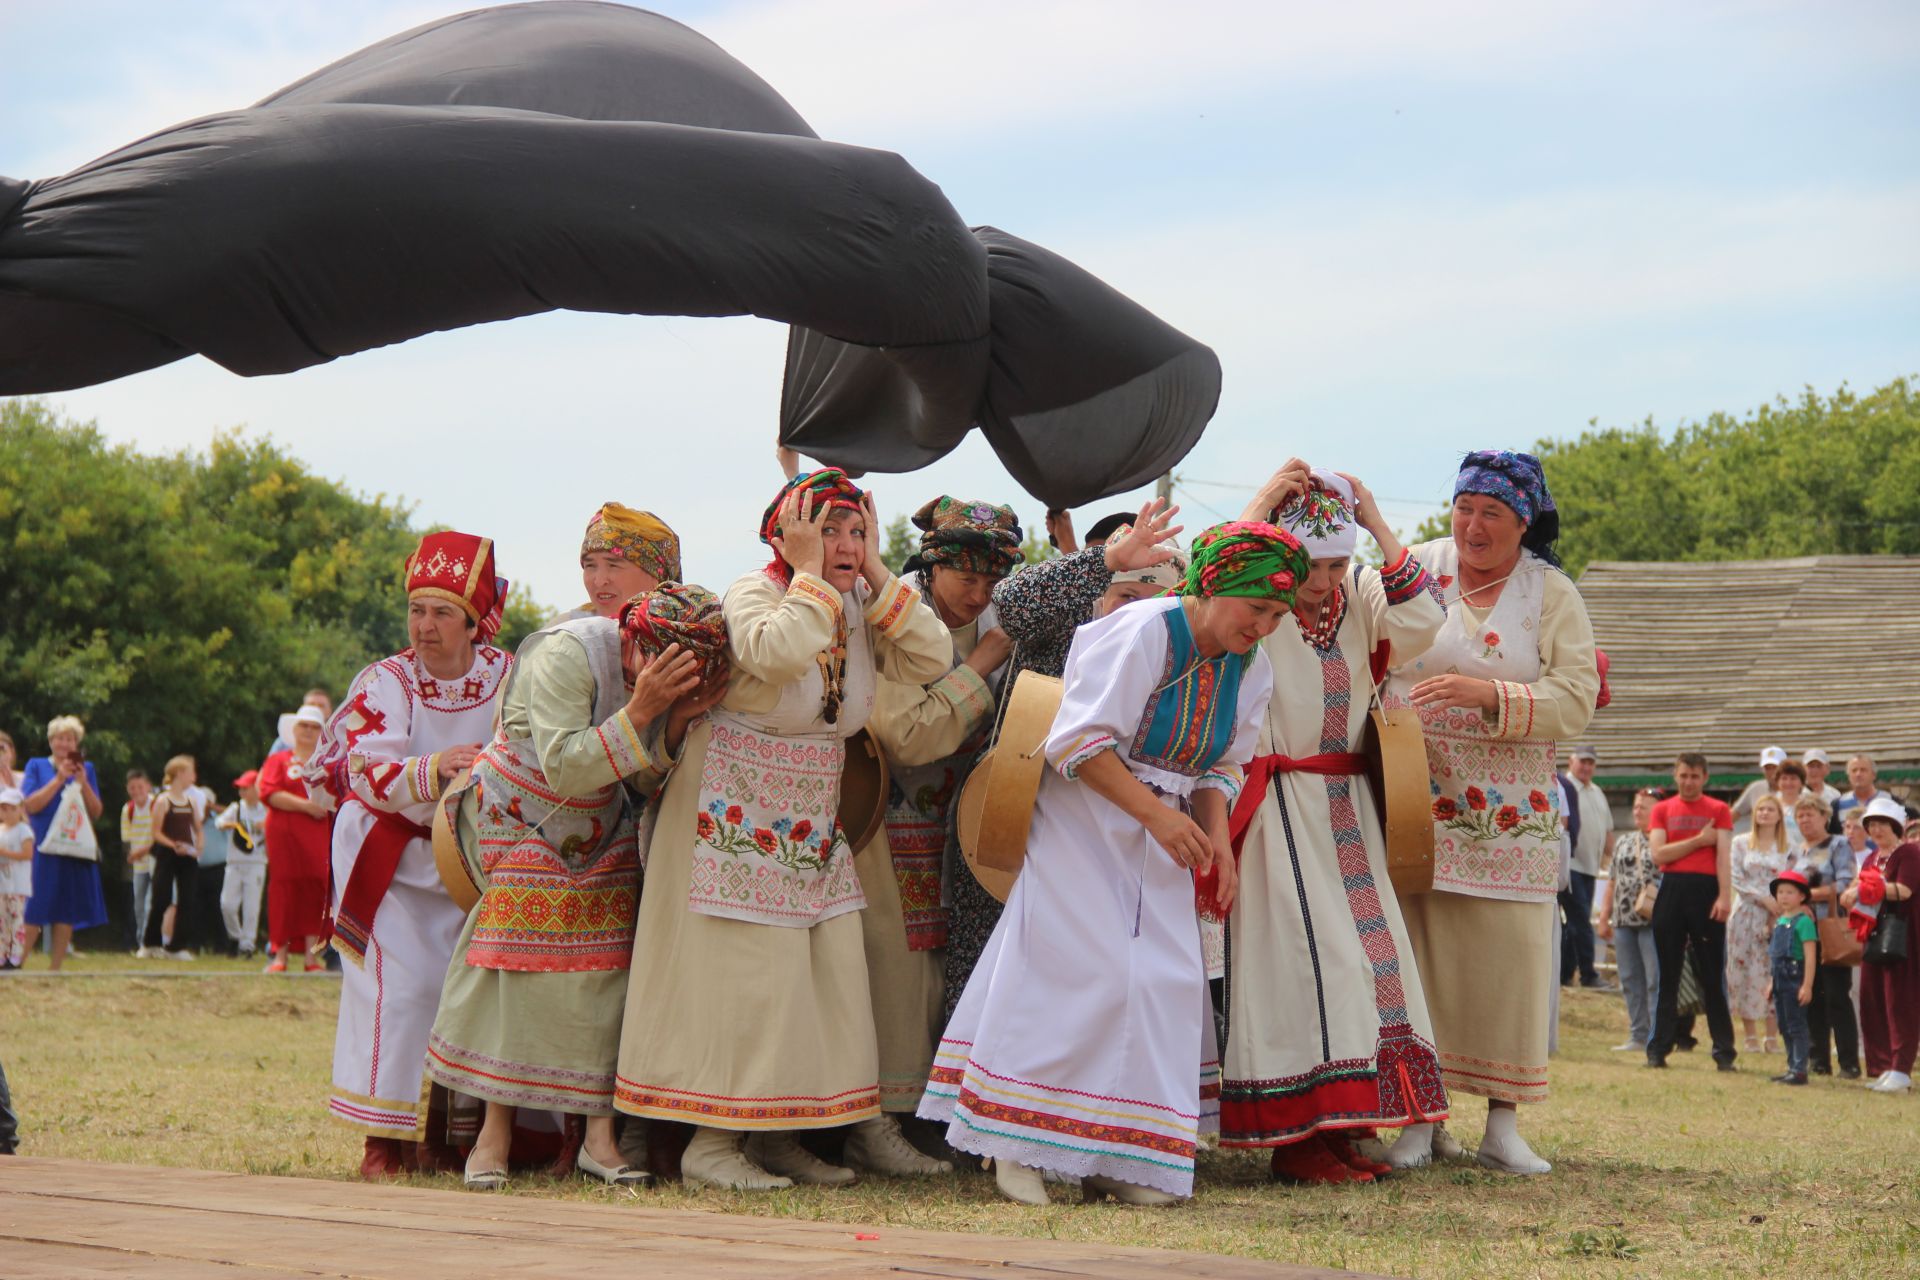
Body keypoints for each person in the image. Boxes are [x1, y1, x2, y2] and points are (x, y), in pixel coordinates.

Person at [924, 520, 1297, 1206]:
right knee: (1075, 971)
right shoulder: (1146, 632)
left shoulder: (1252, 666)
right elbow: (1078, 742)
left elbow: (1221, 764)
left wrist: (1215, 842)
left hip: (1164, 834)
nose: (1266, 627)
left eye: (1278, 614)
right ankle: (1013, 1144)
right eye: (1257, 609)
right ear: (1212, 587)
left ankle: (1114, 1153)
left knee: (1162, 981)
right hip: (1087, 820)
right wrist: (1156, 816)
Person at [614, 470, 951, 1191]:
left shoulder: (860, 599)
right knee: (742, 979)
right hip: (730, 800)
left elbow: (932, 656)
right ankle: (712, 1143)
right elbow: (771, 653)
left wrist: (878, 571)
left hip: (808, 804)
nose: (846, 545)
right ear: (785, 536)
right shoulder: (753, 591)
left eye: (858, 529)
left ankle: (777, 1135)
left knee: (817, 977)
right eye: (828, 529)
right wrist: (807, 575)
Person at [431, 582, 726, 1191]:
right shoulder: (567, 653)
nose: (677, 679)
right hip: (520, 814)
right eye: (671, 667)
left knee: (607, 970)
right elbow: (564, 763)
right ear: (641, 645)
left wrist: (676, 722)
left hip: (600, 820)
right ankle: (494, 1136)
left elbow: (641, 783)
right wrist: (645, 710)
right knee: (516, 967)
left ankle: (599, 1139)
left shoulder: (657, 677)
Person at [1217, 469, 1447, 1185]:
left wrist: (1374, 517)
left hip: (1348, 803)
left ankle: (1346, 1124)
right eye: (1311, 565)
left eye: (1335, 564)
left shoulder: (1360, 600)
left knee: (1369, 967)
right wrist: (1256, 509)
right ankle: (1298, 1139)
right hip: (1278, 804)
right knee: (1300, 966)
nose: (1322, 582)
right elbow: (1203, 589)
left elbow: (1426, 621)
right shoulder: (1260, 602)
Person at [1381, 451, 1598, 1177]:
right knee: (1418, 957)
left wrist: (1490, 697)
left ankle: (1501, 1126)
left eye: (1492, 514)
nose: (1473, 526)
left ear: (1523, 521)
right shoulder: (1415, 565)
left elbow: (1575, 697)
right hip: (1415, 796)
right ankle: (1419, 1119)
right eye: (1464, 508)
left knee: (1512, 963)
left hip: (1515, 815)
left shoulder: (1552, 592)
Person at [311, 530, 512, 1178]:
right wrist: (438, 769)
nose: (424, 626)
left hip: (470, 862)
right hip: (390, 860)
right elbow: (366, 772)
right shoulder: (386, 681)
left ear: (474, 621)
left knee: (467, 993)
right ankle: (381, 1144)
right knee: (401, 991)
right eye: (416, 610)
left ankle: (444, 1137)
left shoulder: (507, 678)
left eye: (441, 613)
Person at [941, 499, 1187, 1020]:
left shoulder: (1176, 658)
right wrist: (1104, 561)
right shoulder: (1068, 620)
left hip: (1106, 851)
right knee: (990, 988)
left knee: (1086, 999)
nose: (1135, 610)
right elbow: (1012, 603)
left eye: (1152, 598)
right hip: (1011, 822)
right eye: (1124, 594)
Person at [853, 496, 1018, 1173]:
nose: (977, 594)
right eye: (964, 579)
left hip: (962, 821)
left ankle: (933, 1110)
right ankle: (880, 1118)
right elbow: (909, 737)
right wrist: (982, 661)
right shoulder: (894, 618)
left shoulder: (998, 616)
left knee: (943, 965)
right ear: (933, 565)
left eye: (989, 582)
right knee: (892, 966)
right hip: (883, 813)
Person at [1646, 754, 1737, 1071]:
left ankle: (1724, 1052)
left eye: (1695, 776)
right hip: (1671, 888)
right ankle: (1658, 1049)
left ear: (1705, 778)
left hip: (1707, 890)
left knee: (1712, 975)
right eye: (1683, 775)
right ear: (1675, 775)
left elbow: (1723, 855)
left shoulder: (1718, 809)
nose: (1688, 782)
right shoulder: (1661, 809)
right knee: (1668, 975)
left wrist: (1725, 896)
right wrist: (1700, 840)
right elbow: (1659, 854)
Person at [21, 715, 108, 971]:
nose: (64, 743)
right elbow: (30, 804)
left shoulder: (87, 769)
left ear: (76, 743)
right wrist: (59, 779)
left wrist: (82, 785)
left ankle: (55, 967)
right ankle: (16, 963)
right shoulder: (37, 766)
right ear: (51, 741)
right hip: (43, 844)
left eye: (69, 739)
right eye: (59, 738)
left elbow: (96, 811)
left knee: (66, 907)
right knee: (35, 905)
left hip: (73, 844)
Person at [1848, 797, 1917, 1093]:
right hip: (1873, 933)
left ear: (1895, 826)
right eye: (1871, 824)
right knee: (1871, 998)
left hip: (1903, 934)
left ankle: (1901, 1068)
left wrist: (1864, 889)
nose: (1875, 830)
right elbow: (1857, 885)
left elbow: (1903, 890)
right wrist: (1851, 892)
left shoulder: (1910, 853)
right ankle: (1880, 1065)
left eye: (1881, 824)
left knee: (1900, 1000)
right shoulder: (1871, 857)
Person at [259, 706, 332, 972]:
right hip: (284, 835)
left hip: (316, 834)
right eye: (304, 726)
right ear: (294, 729)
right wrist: (306, 807)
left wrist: (317, 808)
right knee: (283, 888)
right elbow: (269, 793)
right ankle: (280, 955)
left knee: (315, 887)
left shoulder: (326, 764)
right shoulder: (278, 760)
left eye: (314, 727)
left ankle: (312, 958)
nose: (308, 732)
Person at [1794, 794, 1860, 1077]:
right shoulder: (1796, 850)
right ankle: (1817, 1058)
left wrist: (1804, 896)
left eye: (1810, 814)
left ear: (1825, 817)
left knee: (1836, 995)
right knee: (1811, 995)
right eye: (1800, 815)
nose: (1805, 820)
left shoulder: (1838, 844)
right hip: (1802, 930)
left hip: (1829, 927)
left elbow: (1844, 884)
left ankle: (1849, 1061)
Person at [1597, 787, 1664, 1053]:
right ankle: (1637, 1034)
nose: (1637, 811)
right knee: (1629, 979)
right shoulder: (1624, 841)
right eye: (1635, 806)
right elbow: (1611, 882)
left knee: (1654, 980)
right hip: (1624, 921)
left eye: (1643, 806)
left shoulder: (1665, 841)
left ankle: (1657, 1036)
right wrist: (1604, 916)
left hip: (1654, 921)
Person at [1727, 793, 1795, 1052]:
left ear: (1779, 815)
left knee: (1773, 970)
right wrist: (1763, 899)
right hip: (1746, 913)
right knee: (1744, 971)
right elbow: (1736, 878)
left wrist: (1777, 903)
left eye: (1770, 809)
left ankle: (1772, 1034)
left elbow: (1793, 878)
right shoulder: (1741, 843)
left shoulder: (1788, 848)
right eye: (1761, 809)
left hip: (1779, 913)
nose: (1765, 813)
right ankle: (1749, 1034)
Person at [568, 502, 682, 621]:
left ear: (655, 576)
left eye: (613, 565)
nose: (600, 581)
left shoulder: (694, 634)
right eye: (590, 566)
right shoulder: (565, 633)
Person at [140, 756, 205, 960]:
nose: (193, 776)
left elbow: (198, 828)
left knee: (187, 899)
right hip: (168, 854)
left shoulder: (192, 801)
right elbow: (156, 832)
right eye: (190, 772)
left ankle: (177, 947)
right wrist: (172, 845)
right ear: (179, 774)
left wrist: (198, 845)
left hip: (188, 855)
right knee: (161, 898)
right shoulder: (163, 801)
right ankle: (150, 944)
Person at [1562, 746, 1613, 989]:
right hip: (1570, 864)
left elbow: (1608, 830)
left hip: (1591, 867)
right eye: (1582, 761)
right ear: (1571, 761)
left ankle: (1564, 973)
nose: (1586, 767)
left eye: (1590, 763)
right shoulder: (1565, 787)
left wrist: (1611, 862)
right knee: (1581, 919)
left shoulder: (1597, 792)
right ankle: (1588, 973)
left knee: (1575, 922)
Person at [1766, 869, 1818, 1085]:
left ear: (1802, 896)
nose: (1784, 897)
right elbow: (1775, 958)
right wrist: (1771, 983)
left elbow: (1810, 956)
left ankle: (1799, 1069)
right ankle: (1791, 1066)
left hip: (1795, 977)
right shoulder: (1779, 921)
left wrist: (1807, 985)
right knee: (1784, 1024)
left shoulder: (1804, 922)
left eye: (1790, 892)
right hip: (1779, 978)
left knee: (1796, 1024)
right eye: (1780, 892)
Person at [217, 771, 269, 958]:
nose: (242, 793)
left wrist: (265, 826)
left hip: (256, 862)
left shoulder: (266, 810)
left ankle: (247, 945)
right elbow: (219, 821)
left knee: (251, 906)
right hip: (235, 862)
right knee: (227, 904)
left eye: (246, 788)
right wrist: (227, 824)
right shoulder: (236, 808)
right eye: (241, 789)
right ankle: (235, 936)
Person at [120, 770, 155, 950]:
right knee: (139, 906)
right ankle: (143, 943)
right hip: (139, 865)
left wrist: (142, 851)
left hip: (156, 862)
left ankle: (152, 942)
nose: (137, 791)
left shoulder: (156, 805)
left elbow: (159, 836)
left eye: (140, 786)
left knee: (152, 904)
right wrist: (133, 855)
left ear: (148, 786)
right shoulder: (128, 810)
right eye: (132, 787)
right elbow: (127, 839)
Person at [0, 789, 33, 969]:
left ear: (20, 809)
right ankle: (2, 953)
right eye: (3, 809)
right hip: (2, 884)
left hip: (17, 884)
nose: (6, 813)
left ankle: (15, 955)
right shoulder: (1, 830)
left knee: (15, 918)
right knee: (2, 919)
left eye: (11, 809)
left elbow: (27, 854)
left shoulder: (23, 830)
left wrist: (5, 853)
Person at [1731, 747, 1786, 831]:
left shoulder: (1800, 792)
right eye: (1767, 768)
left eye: (1775, 767)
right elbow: (1734, 814)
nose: (1772, 772)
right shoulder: (1755, 788)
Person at [267, 688, 334, 756]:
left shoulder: (338, 742)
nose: (315, 708)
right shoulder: (283, 743)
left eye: (321, 705)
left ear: (330, 711)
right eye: (311, 704)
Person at [1835, 755, 1892, 824]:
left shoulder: (1890, 800)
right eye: (1854, 770)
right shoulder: (1838, 804)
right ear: (1848, 776)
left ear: (1874, 775)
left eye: (1863, 770)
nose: (1858, 774)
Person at [1773, 762, 1812, 847]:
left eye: (1793, 778)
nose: (1788, 783)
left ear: (1802, 782)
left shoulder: (1811, 807)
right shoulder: (1771, 807)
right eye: (1784, 778)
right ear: (1777, 781)